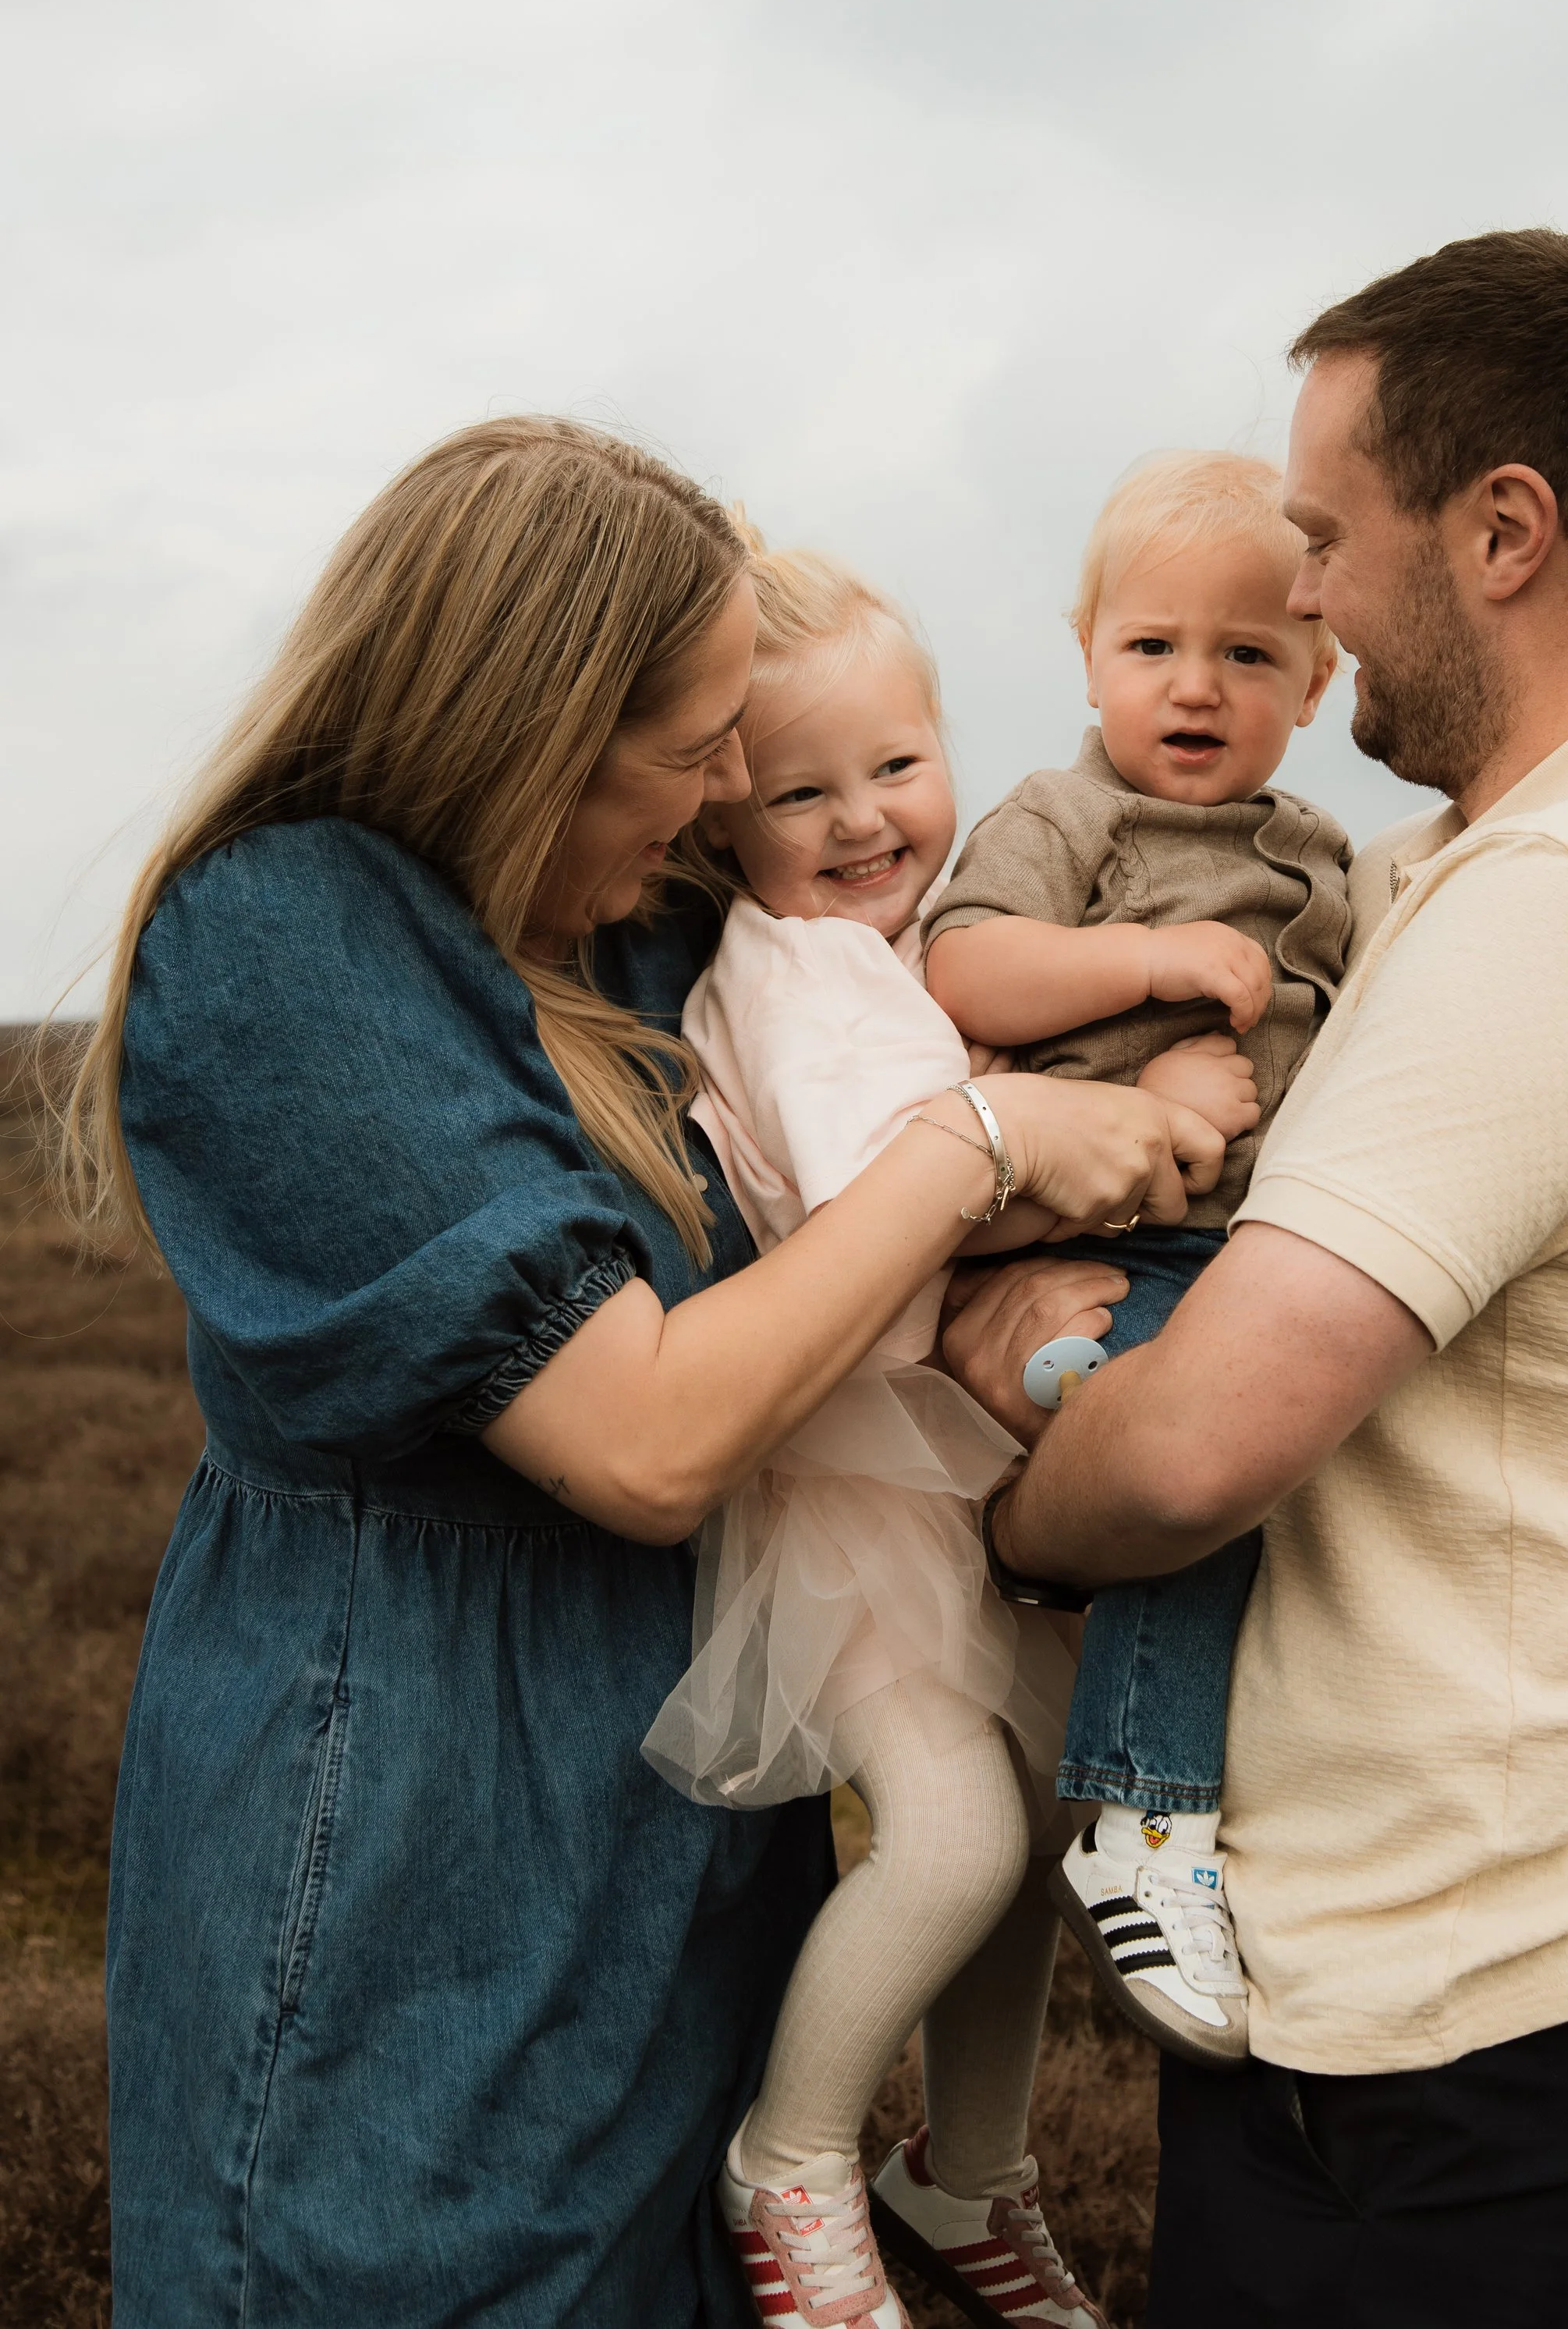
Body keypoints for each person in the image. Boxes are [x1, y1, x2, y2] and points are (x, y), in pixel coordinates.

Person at [60, 416, 1207, 2329]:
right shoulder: (288, 936)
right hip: (411, 1855)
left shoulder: (630, 917)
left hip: (673, 1860)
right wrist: (977, 1158)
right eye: (688, 760)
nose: (709, 814)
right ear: (528, 725)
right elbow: (647, 1434)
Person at [942, 233, 1568, 2329]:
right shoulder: (1563, 842)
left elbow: (1184, 1463)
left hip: (1459, 2016)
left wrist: (1008, 1442)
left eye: (1329, 536)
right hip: (1503, 1955)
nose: (1308, 598)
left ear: (1503, 528)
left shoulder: (1567, 906)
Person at [641, 537, 1136, 2329]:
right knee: (947, 1839)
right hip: (849, 1492)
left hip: (938, 1478)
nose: (862, 821)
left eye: (896, 768)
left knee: (1031, 1816)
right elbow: (895, 1212)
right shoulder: (802, 983)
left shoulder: (899, 951)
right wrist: (1102, 1135)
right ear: (723, 824)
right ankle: (791, 2165)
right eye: (801, 790)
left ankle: (968, 2175)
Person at [924, 451, 1350, 2065]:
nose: (1196, 686)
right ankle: (1141, 1819)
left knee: (1272, 1477)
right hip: (1090, 1229)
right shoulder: (1061, 814)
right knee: (1205, 1480)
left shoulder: (1315, 848)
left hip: (1239, 1249)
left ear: (1315, 680)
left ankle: (1079, 1405)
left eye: (1248, 655)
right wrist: (1149, 959)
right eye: (1152, 646)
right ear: (1086, 653)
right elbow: (967, 967)